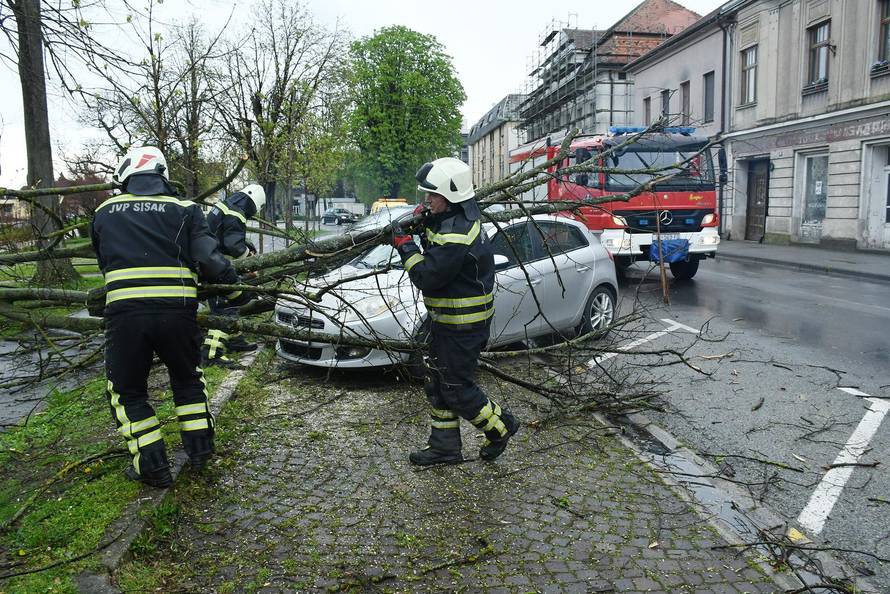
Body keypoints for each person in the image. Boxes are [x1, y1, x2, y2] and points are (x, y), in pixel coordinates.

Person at [90, 146, 251, 488]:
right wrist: (238, 293)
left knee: (128, 392)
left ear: (126, 175)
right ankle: (200, 452)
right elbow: (210, 261)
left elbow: (103, 260)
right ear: (162, 174)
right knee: (188, 379)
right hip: (178, 313)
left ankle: (153, 468)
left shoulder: (104, 210)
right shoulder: (185, 208)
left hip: (126, 317)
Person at [392, 157, 520, 465]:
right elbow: (438, 240)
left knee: (457, 388)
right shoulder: (455, 219)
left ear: (450, 197)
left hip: (462, 328)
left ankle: (502, 427)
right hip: (447, 323)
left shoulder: (456, 234)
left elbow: (426, 276)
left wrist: (405, 246)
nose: (427, 200)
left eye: (432, 196)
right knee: (437, 382)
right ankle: (444, 447)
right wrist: (423, 221)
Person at [202, 184, 266, 366]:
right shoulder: (236, 213)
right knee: (223, 308)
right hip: (216, 267)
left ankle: (235, 340)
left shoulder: (227, 206)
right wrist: (250, 263)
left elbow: (226, 236)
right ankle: (211, 353)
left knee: (231, 302)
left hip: (213, 263)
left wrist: (248, 249)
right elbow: (233, 245)